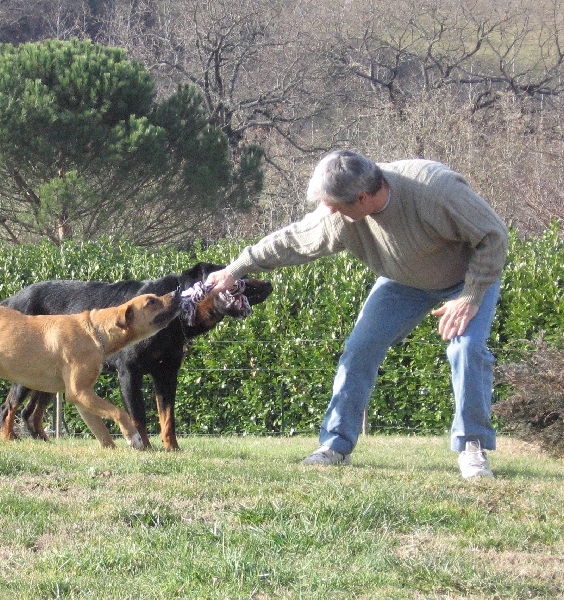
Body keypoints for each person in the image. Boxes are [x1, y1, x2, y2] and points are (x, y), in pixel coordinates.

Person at [205, 150, 508, 478]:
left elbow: (493, 236)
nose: (326, 210)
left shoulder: (435, 191)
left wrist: (471, 296)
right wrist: (236, 269)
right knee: (360, 349)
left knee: (467, 348)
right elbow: (291, 241)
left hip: (466, 281)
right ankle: (335, 445)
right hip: (401, 281)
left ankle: (472, 447)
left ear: (363, 197)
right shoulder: (336, 213)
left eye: (333, 204)